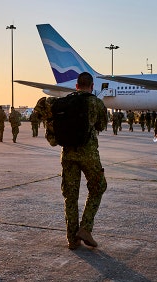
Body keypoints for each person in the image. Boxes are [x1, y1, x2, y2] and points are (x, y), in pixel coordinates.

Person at [45, 72, 107, 250]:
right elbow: (101, 126)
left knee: (70, 196)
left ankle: (72, 239)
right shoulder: (96, 103)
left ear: (76, 86)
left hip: (68, 154)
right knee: (98, 187)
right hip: (88, 154)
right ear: (92, 86)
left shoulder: (66, 102)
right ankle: (85, 228)